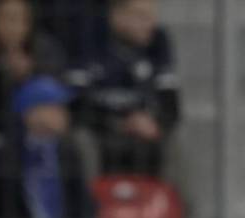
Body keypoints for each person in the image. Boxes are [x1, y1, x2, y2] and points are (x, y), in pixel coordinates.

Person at [68, 0, 180, 176]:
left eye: (151, 17)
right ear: (117, 17)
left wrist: (156, 123)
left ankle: (177, 204)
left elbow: (171, 104)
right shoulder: (88, 38)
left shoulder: (158, 41)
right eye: (141, 16)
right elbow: (75, 104)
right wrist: (119, 123)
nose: (150, 24)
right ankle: (87, 202)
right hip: (100, 132)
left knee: (176, 142)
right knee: (80, 140)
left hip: (143, 134)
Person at [0, 76, 94, 218]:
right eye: (55, 108)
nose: (63, 114)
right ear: (31, 113)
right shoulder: (7, 155)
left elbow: (83, 203)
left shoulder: (69, 152)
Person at [0, 0, 65, 135]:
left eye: (18, 19)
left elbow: (57, 86)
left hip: (35, 117)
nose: (12, 27)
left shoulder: (44, 48)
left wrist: (29, 72)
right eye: (6, 19)